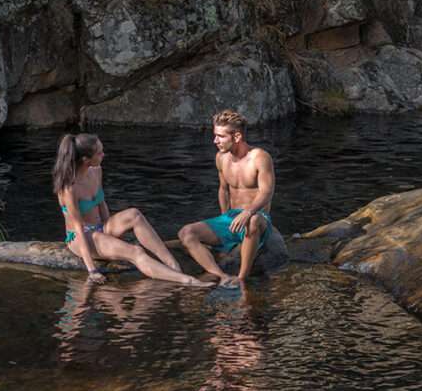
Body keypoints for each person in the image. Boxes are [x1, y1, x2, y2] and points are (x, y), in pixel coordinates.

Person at [53, 133, 213, 287]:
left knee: (134, 214)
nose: (104, 154)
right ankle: (187, 281)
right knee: (135, 251)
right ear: (86, 159)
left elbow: (101, 203)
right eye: (99, 152)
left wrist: (110, 233)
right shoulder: (70, 188)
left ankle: (172, 264)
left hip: (101, 227)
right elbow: (79, 228)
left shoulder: (96, 171)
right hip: (81, 236)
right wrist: (92, 269)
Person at [177, 110, 275, 287]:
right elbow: (223, 190)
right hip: (231, 218)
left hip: (257, 217)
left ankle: (241, 277)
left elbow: (267, 192)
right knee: (186, 233)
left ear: (237, 136)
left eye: (220, 137)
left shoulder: (260, 157)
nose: (215, 141)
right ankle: (220, 275)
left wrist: (248, 212)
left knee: (252, 221)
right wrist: (224, 217)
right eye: (215, 136)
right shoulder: (221, 158)